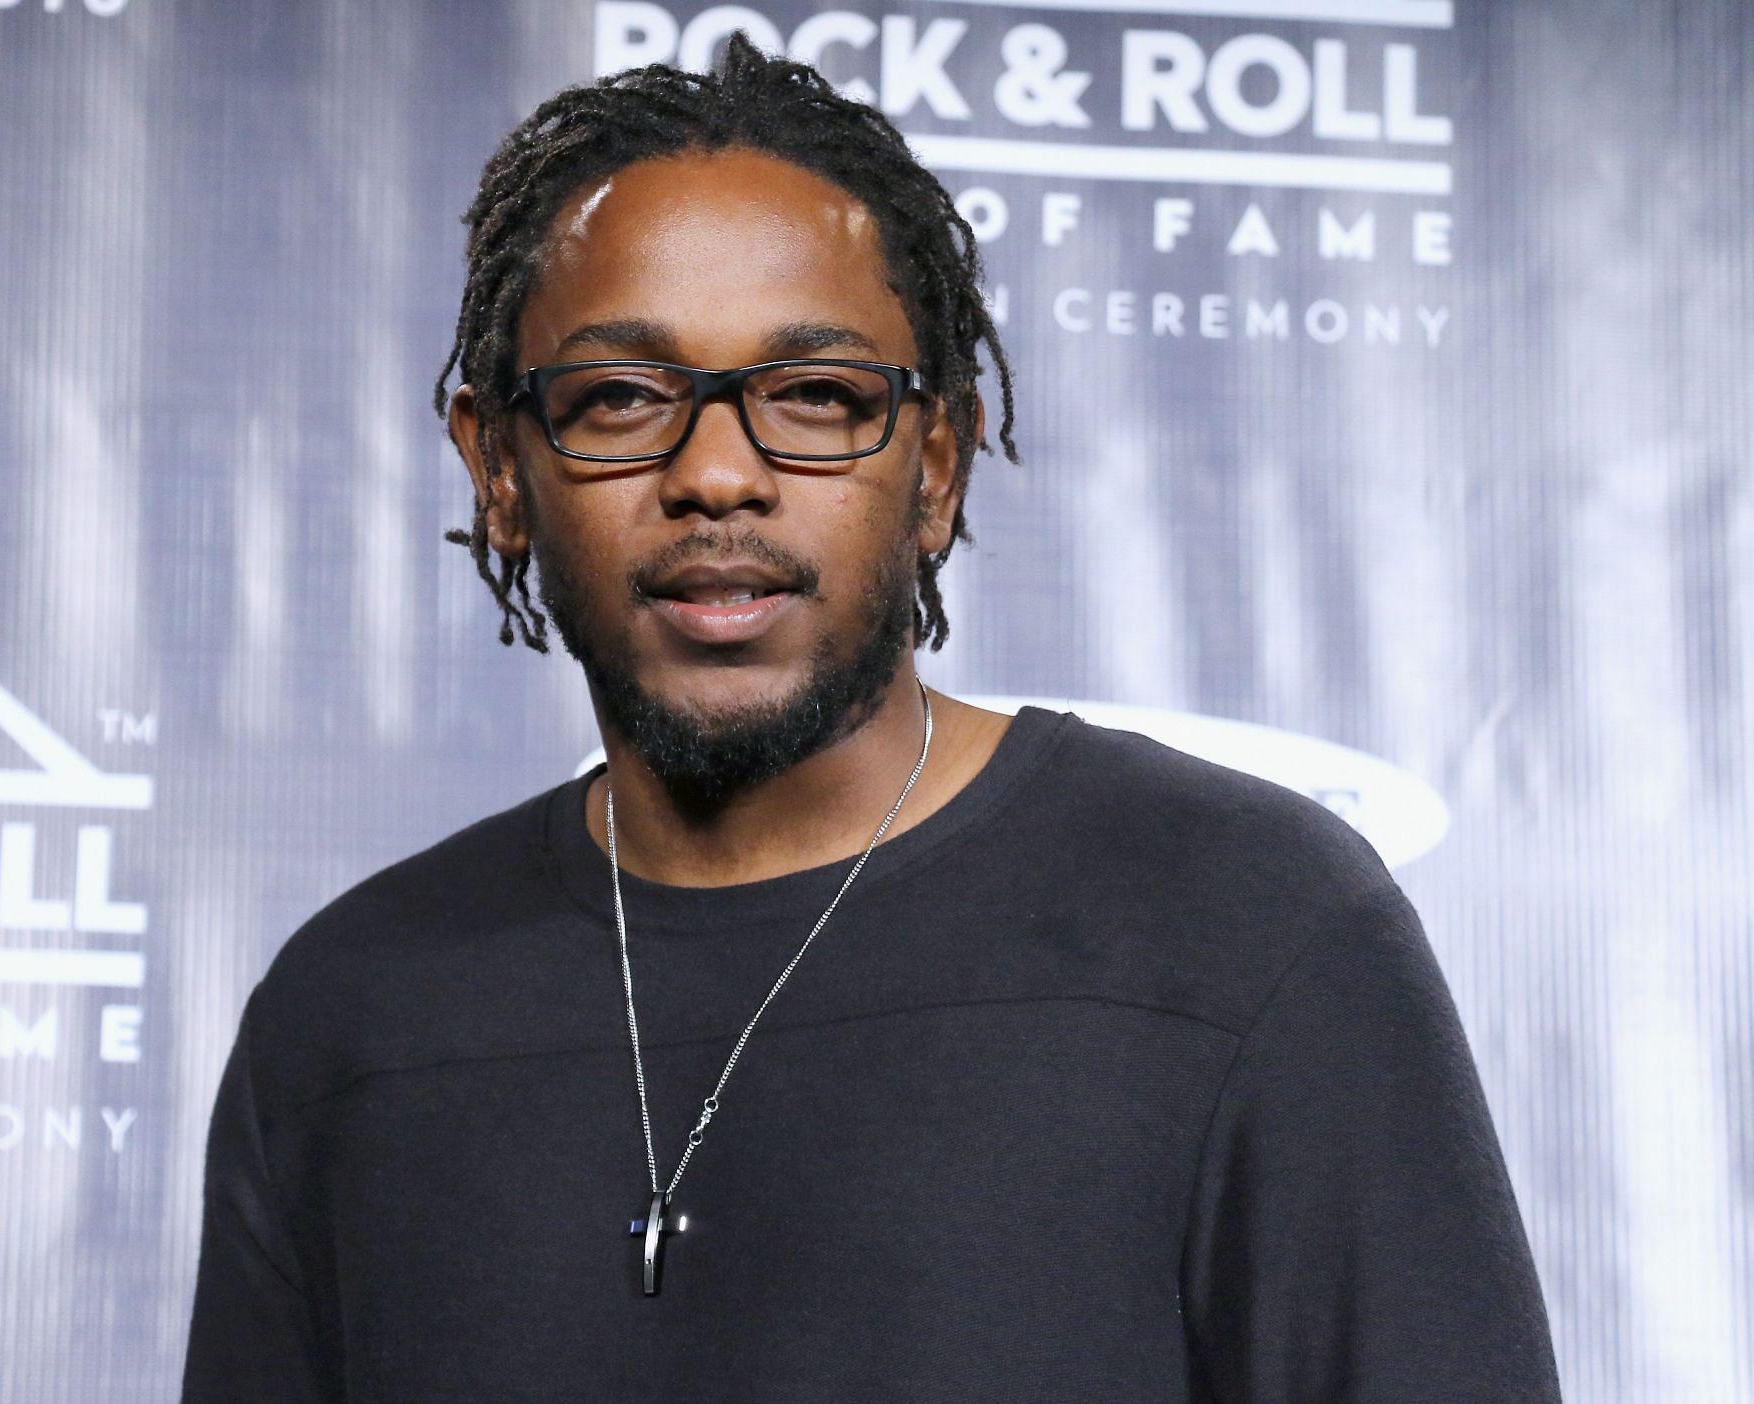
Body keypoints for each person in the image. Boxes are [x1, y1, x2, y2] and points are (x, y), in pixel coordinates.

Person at [181, 36, 1560, 1402]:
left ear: (940, 466)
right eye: (618, 400)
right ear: (497, 469)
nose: (717, 474)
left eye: (816, 399)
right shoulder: (348, 1014)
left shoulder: (1249, 927)